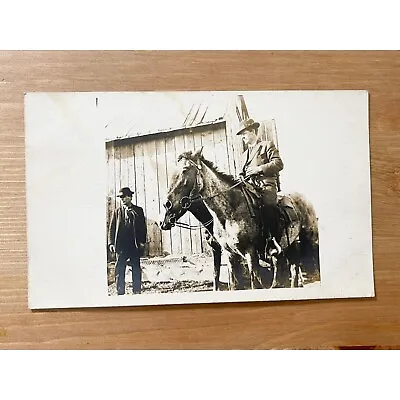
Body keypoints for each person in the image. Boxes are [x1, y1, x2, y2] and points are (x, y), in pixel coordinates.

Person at [237, 118, 284, 256]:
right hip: (249, 187)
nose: (243, 138)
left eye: (244, 134)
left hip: (266, 186)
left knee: (268, 206)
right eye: (241, 136)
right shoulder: (244, 155)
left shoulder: (266, 145)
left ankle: (272, 241)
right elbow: (241, 172)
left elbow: (279, 164)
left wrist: (259, 169)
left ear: (252, 131)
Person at [108, 187, 147, 295]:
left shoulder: (138, 211)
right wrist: (111, 243)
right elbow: (112, 228)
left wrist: (142, 241)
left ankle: (137, 290)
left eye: (124, 197)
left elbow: (143, 228)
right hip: (121, 245)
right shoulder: (117, 212)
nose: (122, 200)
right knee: (120, 268)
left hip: (134, 244)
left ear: (130, 197)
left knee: (136, 268)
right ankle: (120, 291)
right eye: (120, 198)